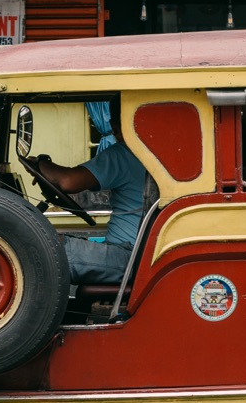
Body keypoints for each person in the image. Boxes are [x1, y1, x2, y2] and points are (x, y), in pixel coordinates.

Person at [25, 113, 155, 285]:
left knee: (32, 247)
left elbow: (68, 181)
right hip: (138, 255)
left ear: (116, 125)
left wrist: (40, 164)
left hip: (128, 258)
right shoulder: (152, 155)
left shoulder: (125, 154)